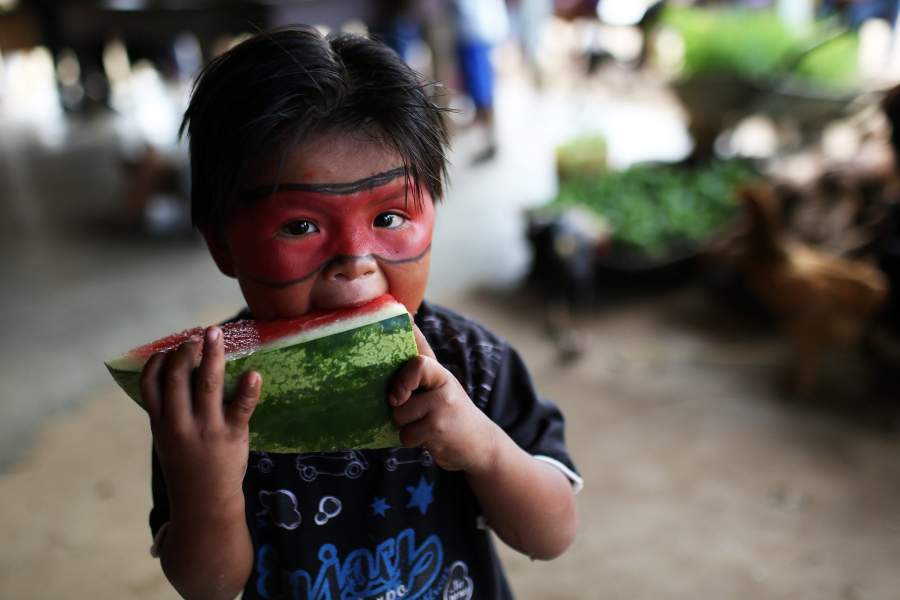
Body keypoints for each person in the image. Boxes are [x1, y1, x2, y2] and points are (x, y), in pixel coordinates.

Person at [140, 26, 581, 600]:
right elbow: (210, 586)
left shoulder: (475, 363)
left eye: (389, 218)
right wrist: (209, 486)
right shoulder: (207, 392)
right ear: (222, 244)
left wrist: (484, 446)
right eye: (300, 226)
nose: (354, 259)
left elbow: (551, 535)